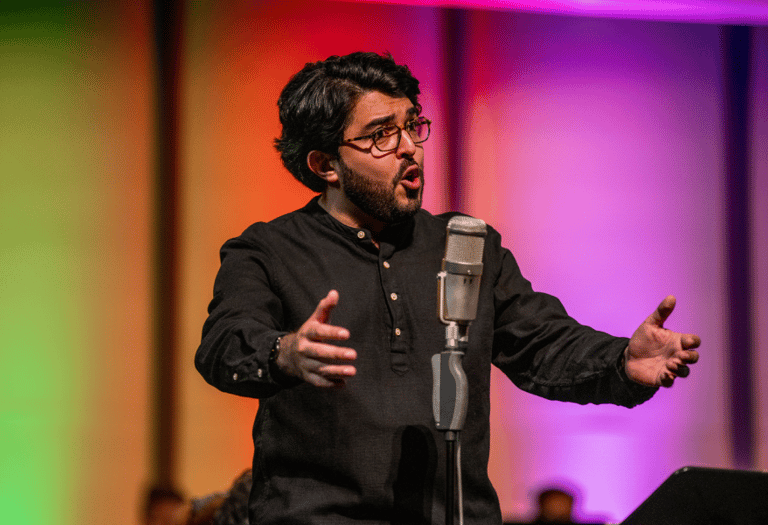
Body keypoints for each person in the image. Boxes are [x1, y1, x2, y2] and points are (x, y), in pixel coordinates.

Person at [195, 51, 701, 525]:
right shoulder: (267, 249)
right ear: (325, 165)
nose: (409, 147)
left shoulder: (466, 245)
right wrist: (284, 353)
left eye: (411, 125)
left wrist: (621, 361)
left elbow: (543, 344)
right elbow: (222, 346)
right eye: (381, 135)